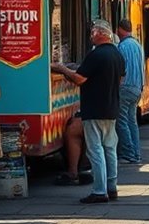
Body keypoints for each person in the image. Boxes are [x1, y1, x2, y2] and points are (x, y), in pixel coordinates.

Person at [51, 20, 126, 204]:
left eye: (93, 32)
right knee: (110, 148)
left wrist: (61, 69)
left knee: (95, 150)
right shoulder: (117, 54)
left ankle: (99, 191)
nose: (91, 35)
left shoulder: (96, 55)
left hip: (94, 108)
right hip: (112, 108)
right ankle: (111, 186)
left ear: (102, 34)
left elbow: (79, 78)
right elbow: (121, 79)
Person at [115, 19, 144, 165]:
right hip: (137, 87)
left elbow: (121, 70)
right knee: (132, 121)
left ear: (120, 29)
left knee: (121, 121)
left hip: (125, 87)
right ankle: (136, 153)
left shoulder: (121, 46)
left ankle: (128, 154)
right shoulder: (138, 45)